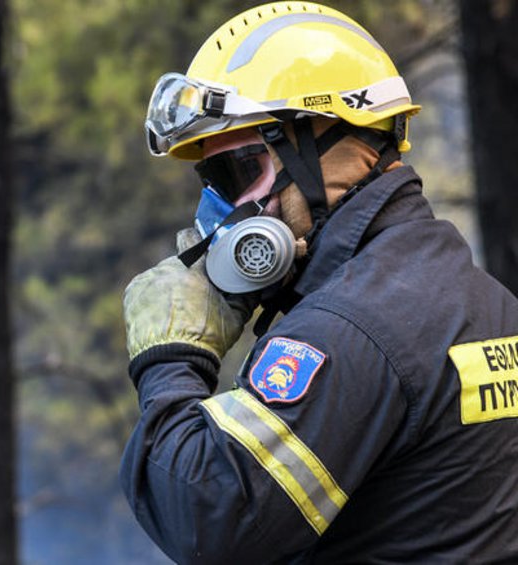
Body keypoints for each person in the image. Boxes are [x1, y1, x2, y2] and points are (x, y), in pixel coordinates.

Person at [120, 2, 518, 563]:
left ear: (334, 145)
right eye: (213, 182)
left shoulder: (349, 329)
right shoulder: (478, 296)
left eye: (240, 172)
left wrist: (170, 358)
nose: (226, 212)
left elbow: (206, 520)